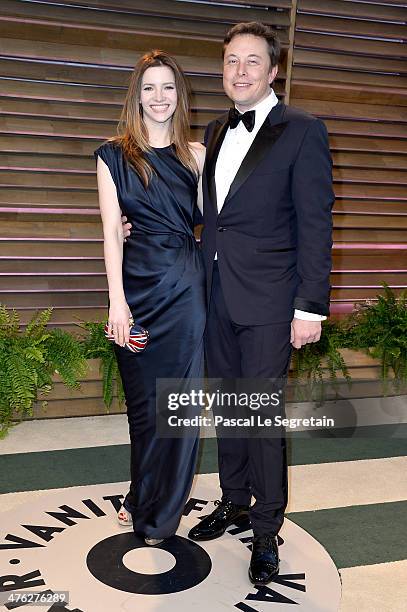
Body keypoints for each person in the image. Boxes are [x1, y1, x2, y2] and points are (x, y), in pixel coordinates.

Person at [185, 22, 334, 584]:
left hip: (273, 303)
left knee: (260, 417)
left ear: (274, 71)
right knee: (228, 409)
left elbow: (316, 225)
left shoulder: (303, 130)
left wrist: (309, 308)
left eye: (252, 61)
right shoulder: (217, 129)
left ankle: (268, 527)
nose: (239, 72)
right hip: (216, 296)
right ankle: (234, 499)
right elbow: (215, 215)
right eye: (231, 61)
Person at [94, 50, 206, 546]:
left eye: (168, 88)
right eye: (149, 88)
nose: (159, 98)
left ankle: (159, 516)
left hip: (185, 290)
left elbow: (217, 222)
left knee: (176, 408)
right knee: (143, 407)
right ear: (135, 96)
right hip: (135, 293)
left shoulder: (198, 155)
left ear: (179, 95)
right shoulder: (112, 155)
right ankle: (142, 491)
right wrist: (117, 302)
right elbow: (110, 234)